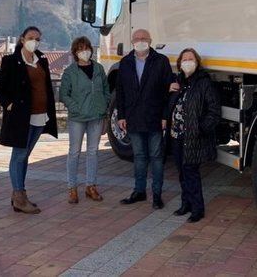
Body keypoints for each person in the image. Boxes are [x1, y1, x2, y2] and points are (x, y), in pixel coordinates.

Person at [0, 26, 58, 214]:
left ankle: (19, 195)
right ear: (22, 39)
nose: (34, 41)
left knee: (24, 156)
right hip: (21, 118)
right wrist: (10, 105)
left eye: (37, 38)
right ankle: (19, 196)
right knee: (19, 155)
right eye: (31, 38)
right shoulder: (11, 61)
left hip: (40, 116)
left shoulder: (42, 61)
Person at [116, 29, 174, 209]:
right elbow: (120, 91)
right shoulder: (125, 63)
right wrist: (121, 115)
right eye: (137, 39)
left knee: (156, 157)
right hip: (133, 118)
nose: (140, 41)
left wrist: (165, 116)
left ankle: (157, 194)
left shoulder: (161, 61)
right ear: (132, 42)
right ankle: (139, 191)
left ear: (150, 40)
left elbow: (168, 92)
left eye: (144, 39)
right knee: (139, 156)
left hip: (155, 117)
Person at [167, 48, 220, 222]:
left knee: (191, 172)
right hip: (176, 135)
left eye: (191, 59)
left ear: (197, 63)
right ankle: (186, 204)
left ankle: (197, 209)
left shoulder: (204, 83)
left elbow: (214, 111)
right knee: (182, 172)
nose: (187, 62)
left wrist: (201, 129)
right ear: (180, 64)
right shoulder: (178, 83)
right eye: (184, 59)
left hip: (193, 136)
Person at [60, 36, 111, 204]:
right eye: (80, 49)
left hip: (96, 116)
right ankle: (72, 188)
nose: (84, 51)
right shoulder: (69, 72)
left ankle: (91, 186)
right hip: (77, 118)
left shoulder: (99, 69)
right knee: (74, 152)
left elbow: (105, 90)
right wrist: (76, 108)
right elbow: (63, 95)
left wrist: (104, 108)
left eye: (86, 48)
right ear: (75, 52)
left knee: (93, 152)